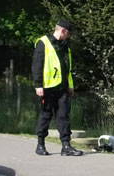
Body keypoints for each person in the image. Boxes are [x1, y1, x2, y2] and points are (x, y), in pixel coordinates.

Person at [31, 20, 83, 156]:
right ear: (63, 31)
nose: (69, 36)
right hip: (47, 87)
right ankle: (40, 144)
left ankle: (66, 146)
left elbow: (68, 68)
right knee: (45, 115)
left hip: (63, 87)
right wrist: (38, 85)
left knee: (63, 116)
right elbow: (37, 65)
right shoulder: (43, 42)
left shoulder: (66, 46)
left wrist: (70, 85)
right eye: (68, 33)